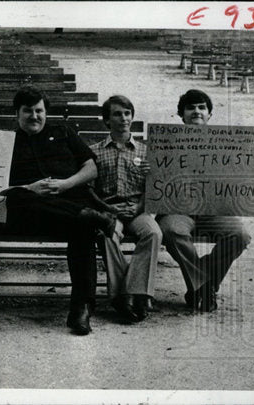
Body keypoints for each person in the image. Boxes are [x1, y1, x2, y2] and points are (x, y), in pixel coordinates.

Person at [0, 86, 117, 335]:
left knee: (82, 227)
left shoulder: (63, 132)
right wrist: (30, 188)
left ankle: (81, 309)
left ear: (46, 112)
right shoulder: (7, 142)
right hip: (28, 216)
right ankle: (87, 215)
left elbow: (91, 169)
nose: (34, 116)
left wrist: (64, 184)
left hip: (67, 208)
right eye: (27, 111)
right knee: (21, 198)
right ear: (16, 114)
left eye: (39, 111)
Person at [156, 89, 254, 312]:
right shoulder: (165, 141)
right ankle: (206, 287)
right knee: (170, 231)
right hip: (177, 209)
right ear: (181, 115)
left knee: (240, 234)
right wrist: (147, 169)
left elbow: (241, 176)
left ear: (209, 114)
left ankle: (201, 282)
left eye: (201, 107)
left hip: (213, 210)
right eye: (190, 107)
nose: (196, 111)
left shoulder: (227, 142)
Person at [90, 95, 160, 323]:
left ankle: (133, 293)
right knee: (108, 234)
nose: (123, 119)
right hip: (109, 208)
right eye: (117, 114)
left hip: (138, 208)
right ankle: (127, 297)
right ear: (107, 120)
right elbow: (89, 189)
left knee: (153, 233)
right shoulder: (95, 151)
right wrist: (107, 208)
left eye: (127, 113)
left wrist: (139, 207)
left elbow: (153, 187)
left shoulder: (145, 152)